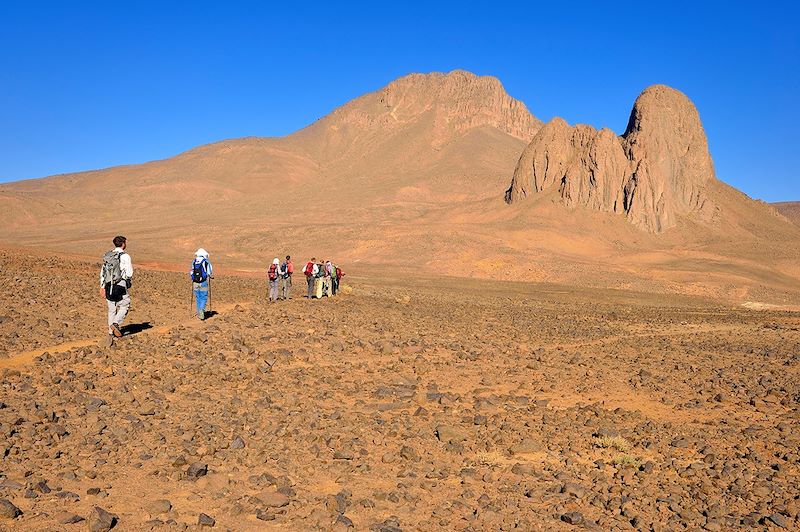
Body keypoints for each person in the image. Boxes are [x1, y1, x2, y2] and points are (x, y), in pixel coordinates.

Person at [100, 235, 133, 344]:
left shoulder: (108, 256)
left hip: (108, 285)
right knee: (125, 305)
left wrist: (102, 286)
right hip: (120, 284)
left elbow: (103, 272)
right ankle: (116, 323)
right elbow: (129, 273)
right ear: (123, 244)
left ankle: (110, 333)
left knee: (111, 309)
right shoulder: (125, 256)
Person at [189, 248, 212, 320]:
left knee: (198, 297)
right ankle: (201, 310)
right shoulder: (206, 262)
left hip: (195, 282)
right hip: (203, 282)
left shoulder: (194, 261)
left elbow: (191, 271)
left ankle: (199, 313)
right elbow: (209, 272)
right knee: (203, 297)